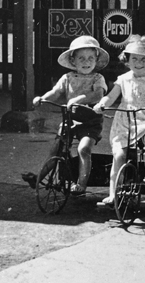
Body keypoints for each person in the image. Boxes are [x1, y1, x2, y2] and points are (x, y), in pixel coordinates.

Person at [94, 35, 145, 205]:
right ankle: (114, 192)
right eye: (134, 58)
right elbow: (111, 97)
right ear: (127, 61)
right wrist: (102, 104)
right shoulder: (123, 80)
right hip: (125, 122)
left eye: (144, 59)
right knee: (119, 155)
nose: (139, 63)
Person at [33, 35, 109, 195]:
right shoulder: (67, 78)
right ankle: (39, 178)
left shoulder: (97, 78)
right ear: (73, 61)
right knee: (56, 148)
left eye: (90, 58)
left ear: (96, 60)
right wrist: (42, 99)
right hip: (70, 119)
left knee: (84, 148)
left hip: (90, 122)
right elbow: (56, 92)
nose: (86, 62)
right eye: (81, 58)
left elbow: (98, 95)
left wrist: (81, 98)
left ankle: (81, 184)